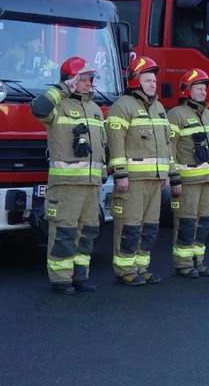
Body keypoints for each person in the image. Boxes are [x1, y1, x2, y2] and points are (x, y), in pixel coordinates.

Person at [29, 57, 106, 295]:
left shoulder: (94, 109)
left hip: (91, 186)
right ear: (72, 79)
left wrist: (102, 174)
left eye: (91, 79)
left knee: (88, 232)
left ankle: (80, 276)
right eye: (84, 78)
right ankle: (61, 279)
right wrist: (63, 88)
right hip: (66, 186)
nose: (90, 83)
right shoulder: (57, 106)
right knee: (64, 232)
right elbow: (37, 108)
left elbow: (101, 146)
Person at [105, 57, 172, 286]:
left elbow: (166, 144)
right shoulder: (122, 106)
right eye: (148, 80)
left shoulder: (159, 107)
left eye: (154, 80)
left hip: (155, 180)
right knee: (129, 227)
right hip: (132, 181)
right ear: (135, 81)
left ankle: (141, 268)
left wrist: (165, 174)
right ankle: (125, 271)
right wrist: (120, 174)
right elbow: (115, 143)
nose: (153, 84)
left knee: (150, 228)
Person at [166, 69, 209, 278]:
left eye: (204, 88)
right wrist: (174, 177)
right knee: (187, 223)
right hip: (187, 181)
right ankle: (183, 263)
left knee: (205, 222)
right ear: (186, 90)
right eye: (198, 88)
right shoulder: (176, 114)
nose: (203, 92)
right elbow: (169, 148)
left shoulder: (208, 114)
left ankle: (198, 261)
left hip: (207, 180)